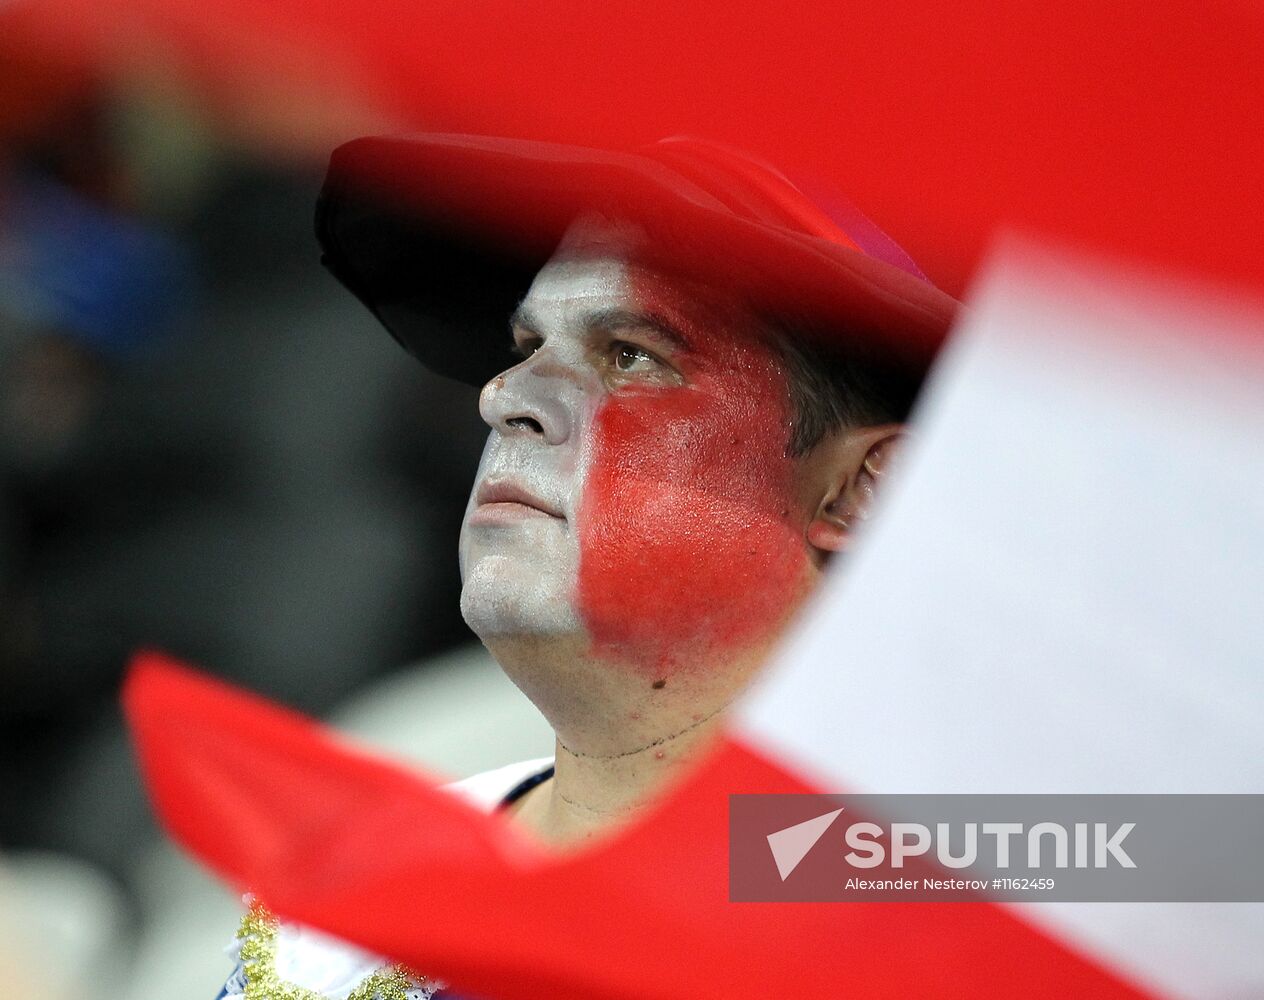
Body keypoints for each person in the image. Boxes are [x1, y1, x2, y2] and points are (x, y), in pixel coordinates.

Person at [215, 133, 958, 999]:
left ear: (857, 492)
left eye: (630, 355)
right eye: (526, 343)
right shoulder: (337, 896)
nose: (502, 394)